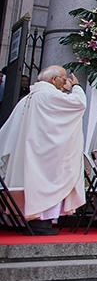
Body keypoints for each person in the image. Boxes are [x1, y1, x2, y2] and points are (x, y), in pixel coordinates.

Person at [0, 65, 86, 235]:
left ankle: (35, 219)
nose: (65, 82)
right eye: (63, 78)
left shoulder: (28, 98)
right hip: (46, 155)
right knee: (45, 183)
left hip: (33, 151)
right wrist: (76, 87)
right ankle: (41, 221)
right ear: (53, 79)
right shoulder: (50, 95)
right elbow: (79, 104)